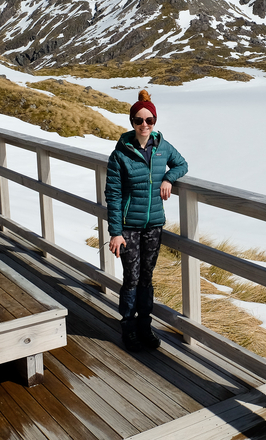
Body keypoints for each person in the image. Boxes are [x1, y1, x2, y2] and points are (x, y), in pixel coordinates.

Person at [105, 90, 188, 351]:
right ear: (131, 122)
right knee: (131, 277)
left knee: (146, 277)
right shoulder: (120, 154)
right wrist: (115, 231)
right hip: (129, 226)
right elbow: (114, 195)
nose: (144, 125)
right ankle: (128, 327)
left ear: (155, 121)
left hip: (154, 225)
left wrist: (168, 178)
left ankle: (145, 326)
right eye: (139, 120)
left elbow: (182, 164)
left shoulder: (162, 147)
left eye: (149, 120)